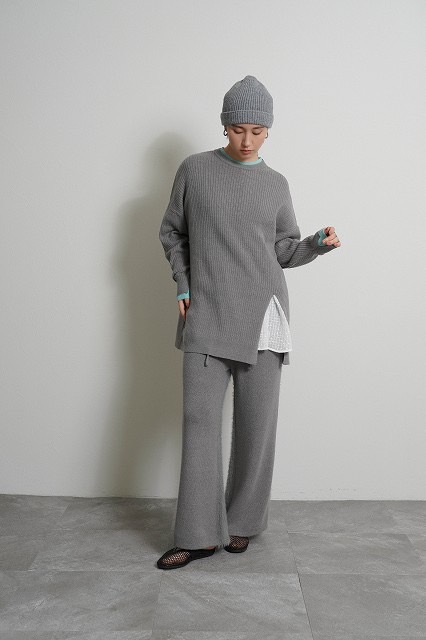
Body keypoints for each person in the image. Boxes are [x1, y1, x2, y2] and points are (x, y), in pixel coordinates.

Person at [157, 75, 341, 570]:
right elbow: (172, 232)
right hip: (208, 311)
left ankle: (241, 523)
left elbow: (283, 250)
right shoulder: (195, 170)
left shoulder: (276, 183)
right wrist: (183, 284)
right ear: (224, 125)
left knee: (257, 427)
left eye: (257, 131)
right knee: (199, 424)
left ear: (268, 131)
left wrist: (315, 245)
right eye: (239, 129)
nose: (247, 140)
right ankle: (198, 536)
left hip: (264, 314)